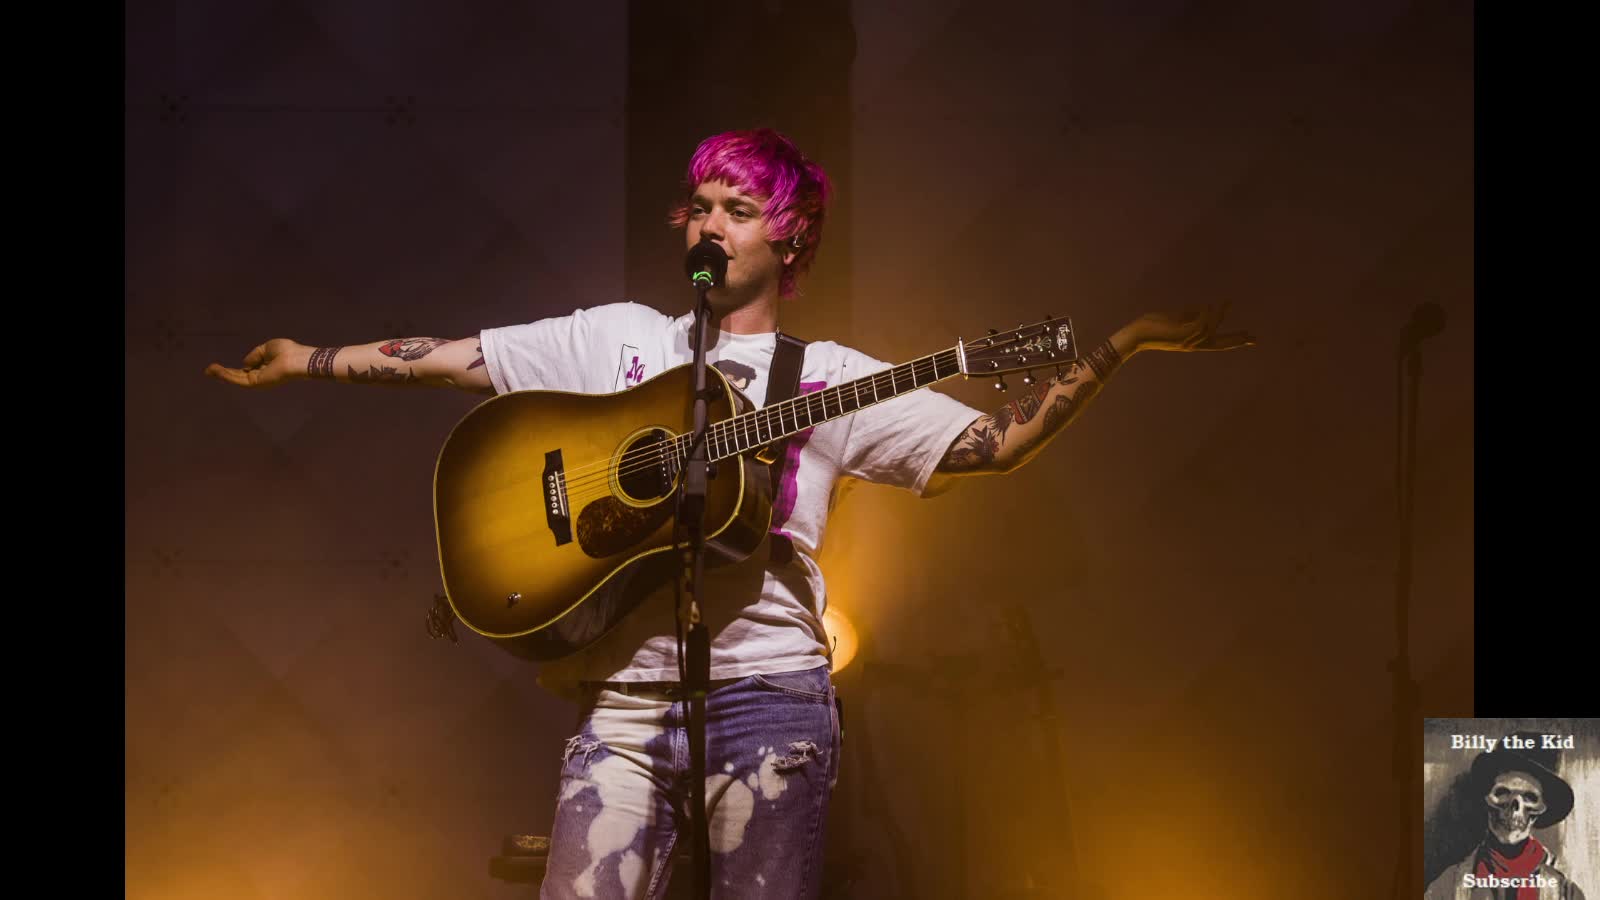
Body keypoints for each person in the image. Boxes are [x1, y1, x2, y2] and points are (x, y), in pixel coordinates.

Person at [206, 128, 1254, 899]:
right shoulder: (614, 338)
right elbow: (453, 361)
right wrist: (311, 360)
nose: (709, 221)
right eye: (700, 203)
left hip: (771, 704)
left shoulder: (828, 377)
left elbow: (998, 441)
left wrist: (1129, 342)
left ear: (789, 236)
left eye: (738, 207)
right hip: (621, 703)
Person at [1425, 732, 1586, 900]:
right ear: (1487, 798)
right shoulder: (1447, 887)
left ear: (1541, 808)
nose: (1515, 808)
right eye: (1502, 793)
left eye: (1529, 797)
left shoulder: (1565, 893)